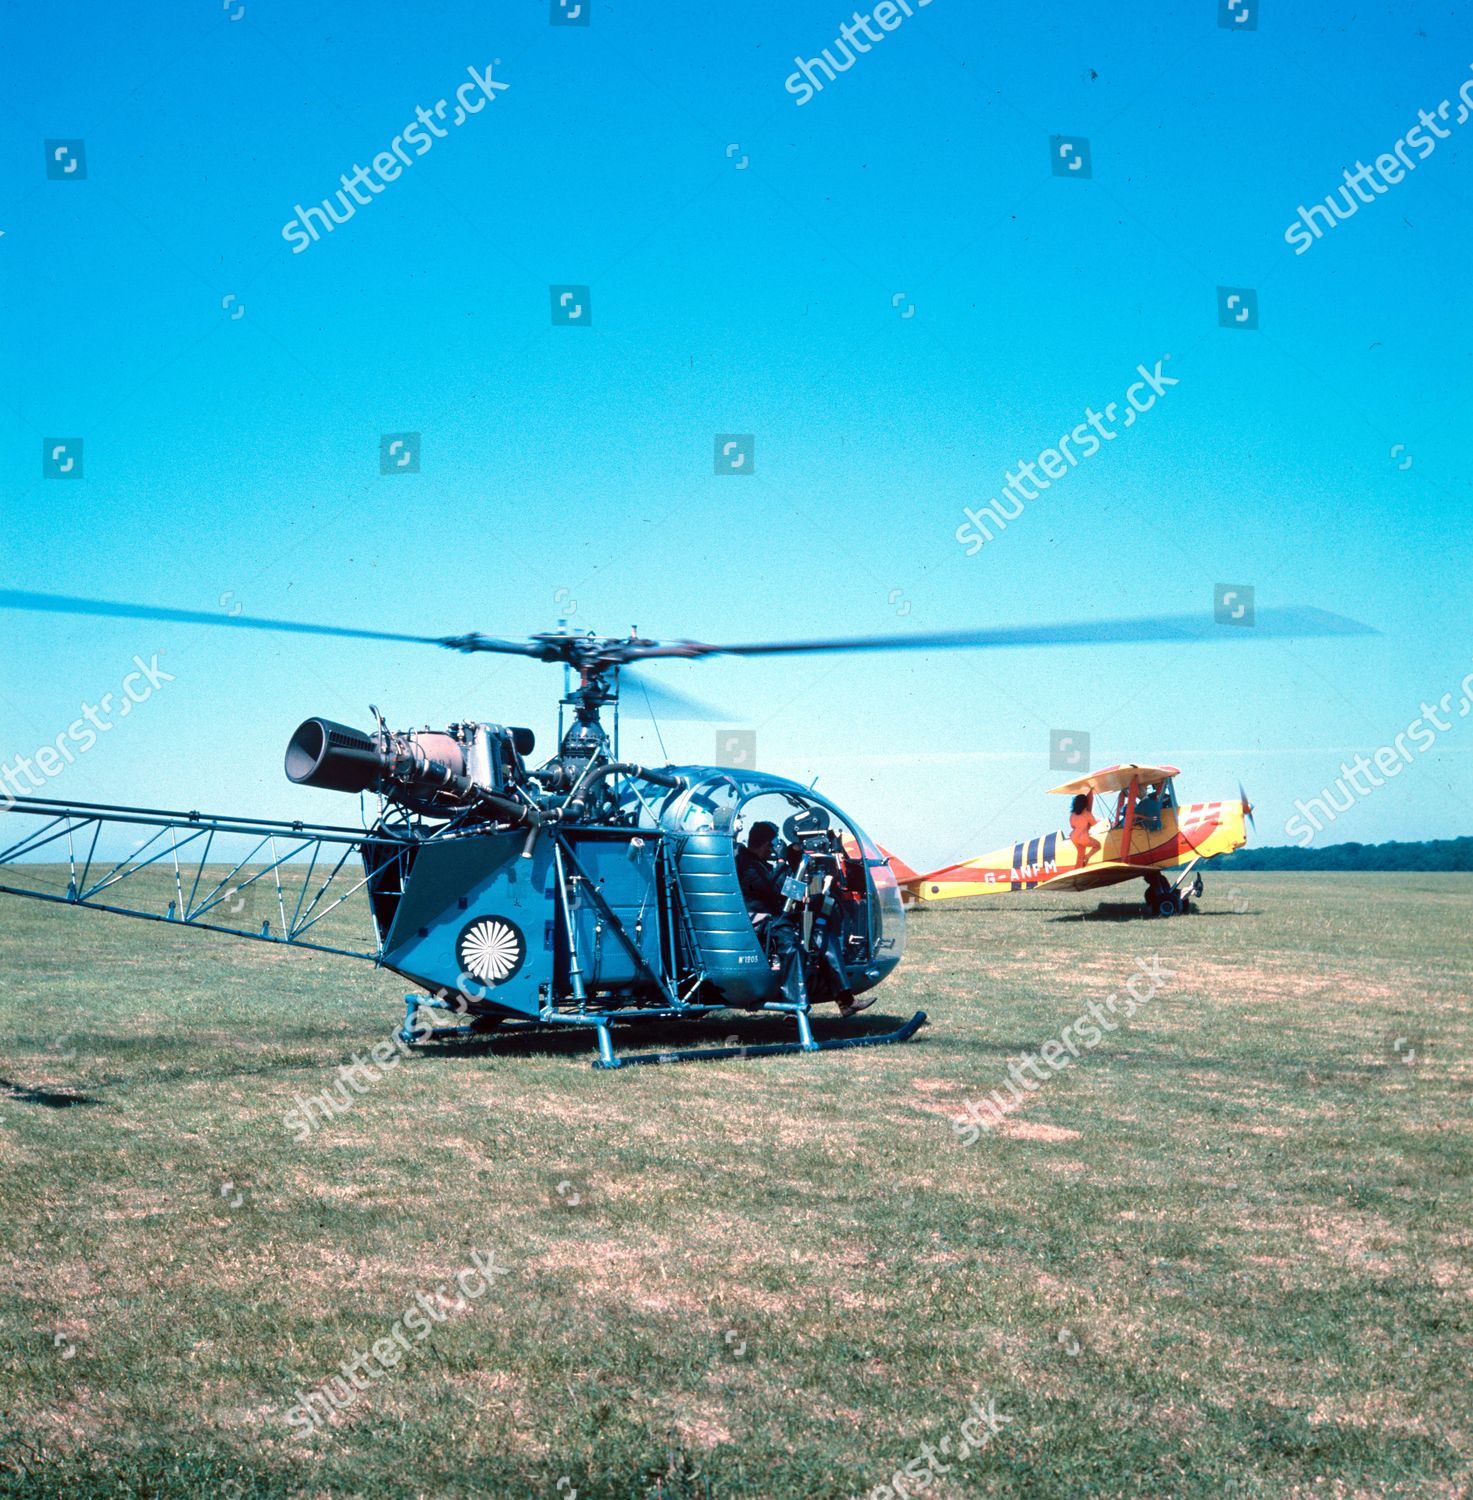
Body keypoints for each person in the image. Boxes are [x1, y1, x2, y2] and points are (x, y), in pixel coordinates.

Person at [737, 821, 870, 1016]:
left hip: (775, 919)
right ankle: (794, 1009)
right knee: (792, 946)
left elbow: (786, 889)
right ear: (767, 843)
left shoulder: (759, 864)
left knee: (821, 935)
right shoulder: (747, 865)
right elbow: (775, 888)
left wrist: (796, 869)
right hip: (759, 922)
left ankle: (845, 1000)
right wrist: (782, 862)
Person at [1069, 793, 1101, 869]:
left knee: (1080, 853)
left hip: (1073, 837)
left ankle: (1079, 866)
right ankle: (1087, 857)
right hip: (1083, 837)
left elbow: (1072, 826)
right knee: (1098, 845)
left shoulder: (1072, 815)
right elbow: (1093, 823)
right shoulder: (1086, 814)